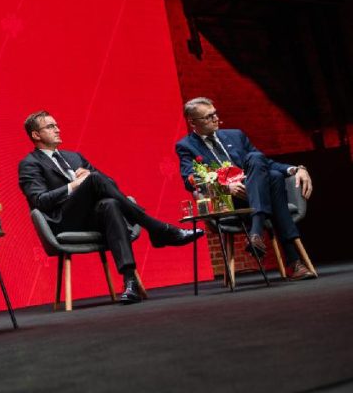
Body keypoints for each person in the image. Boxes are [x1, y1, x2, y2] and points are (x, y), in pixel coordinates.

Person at [18, 111, 204, 304]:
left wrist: (88, 176)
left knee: (111, 203)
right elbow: (40, 200)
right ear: (36, 135)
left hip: (93, 218)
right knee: (94, 180)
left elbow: (110, 184)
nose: (57, 130)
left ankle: (130, 282)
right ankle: (157, 228)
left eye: (56, 125)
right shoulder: (30, 164)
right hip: (63, 221)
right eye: (50, 127)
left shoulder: (74, 157)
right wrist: (75, 184)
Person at [175, 97, 315, 280]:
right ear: (193, 122)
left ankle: (256, 232)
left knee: (260, 161)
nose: (216, 119)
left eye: (215, 114)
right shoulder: (186, 146)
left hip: (254, 191)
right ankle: (293, 262)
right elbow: (190, 179)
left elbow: (264, 163)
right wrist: (225, 187)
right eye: (209, 117)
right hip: (230, 199)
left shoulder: (236, 135)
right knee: (274, 178)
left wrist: (296, 169)